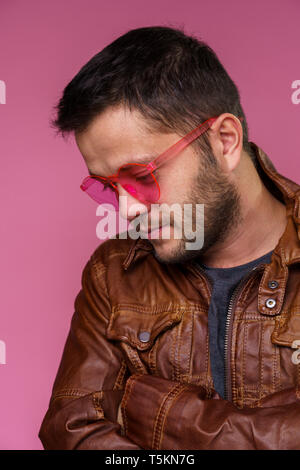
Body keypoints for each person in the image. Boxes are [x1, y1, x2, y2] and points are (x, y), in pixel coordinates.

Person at [39, 26, 300, 450]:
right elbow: (73, 434)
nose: (128, 211)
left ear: (225, 141)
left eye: (140, 176)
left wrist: (172, 417)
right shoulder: (114, 275)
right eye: (108, 186)